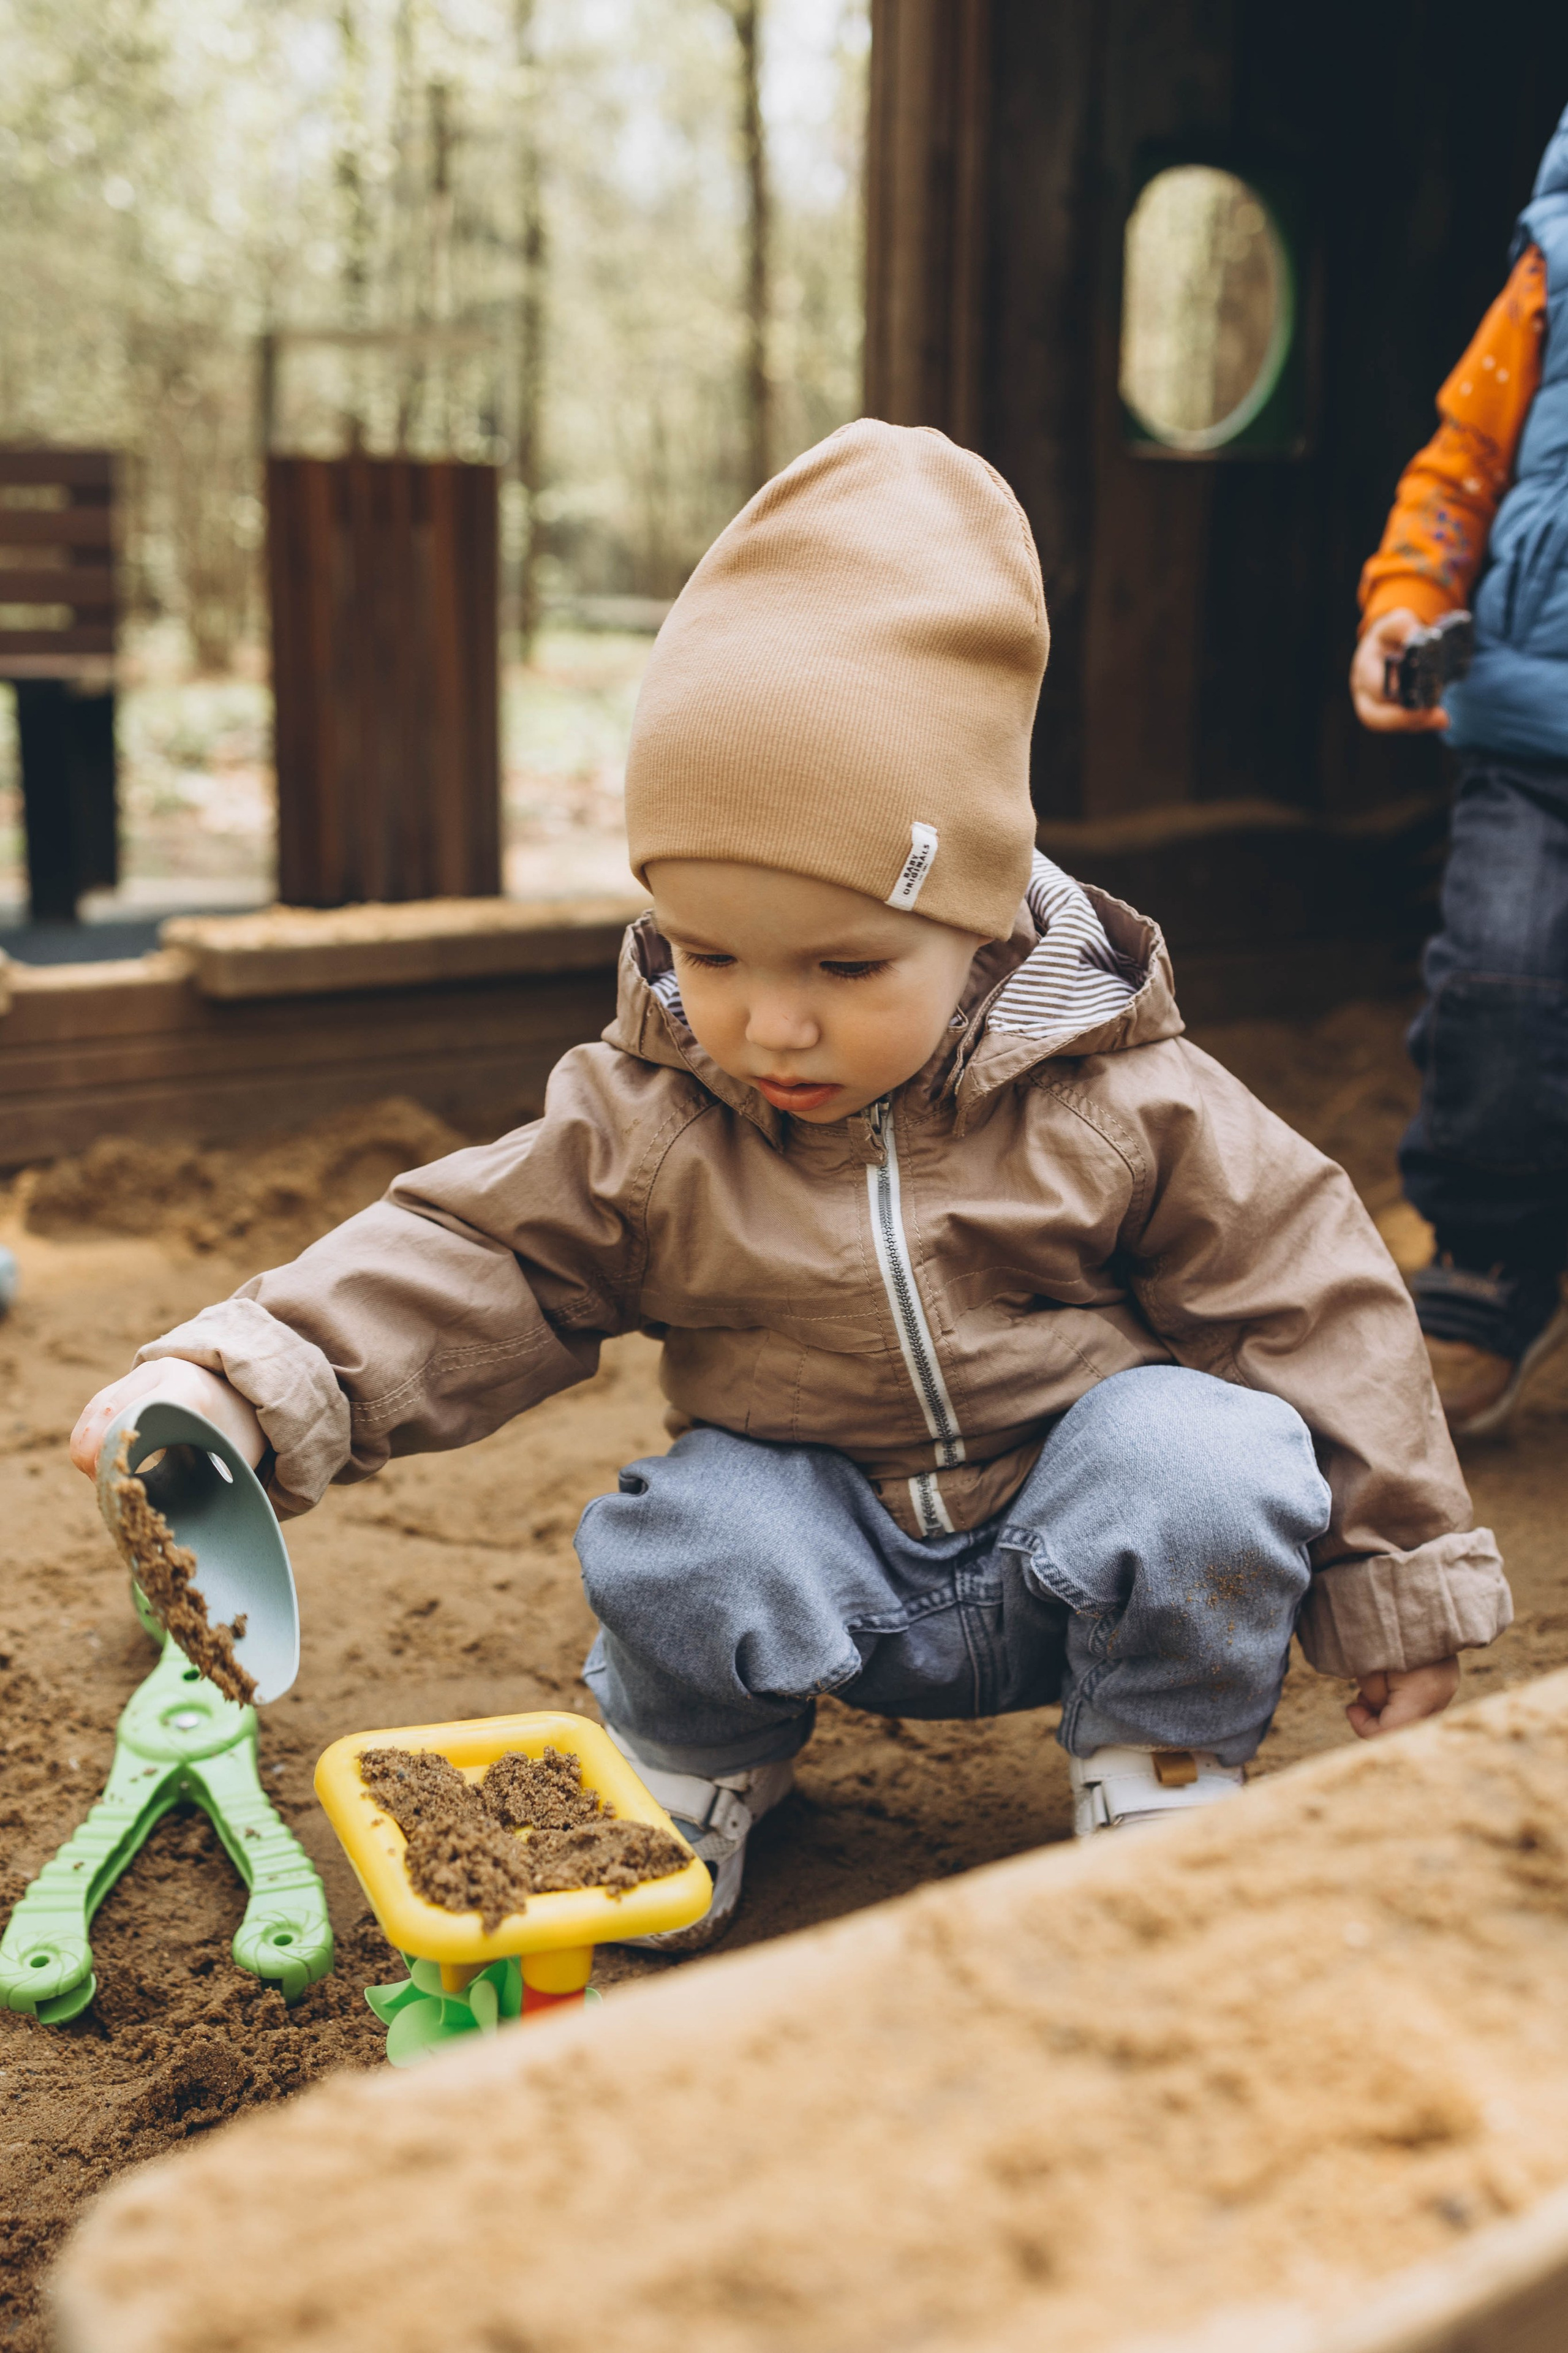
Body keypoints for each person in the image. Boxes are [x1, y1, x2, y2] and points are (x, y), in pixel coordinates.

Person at [75, 423, 1507, 1948]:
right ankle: (700, 1762)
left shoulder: (1118, 1096)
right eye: (709, 955)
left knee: (1213, 1456)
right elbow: (471, 1255)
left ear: (975, 921)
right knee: (684, 1532)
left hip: (1072, 1551)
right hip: (822, 1567)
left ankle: (1153, 1753)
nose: (770, 1021)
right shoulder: (657, 1118)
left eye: (844, 964)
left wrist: (1391, 1580)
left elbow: (1310, 1297)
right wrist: (244, 1380)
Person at [1352, 102, 1568, 1437]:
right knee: (1497, 982)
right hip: (1526, 733)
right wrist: (1409, 599)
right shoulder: (1551, 265)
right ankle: (1484, 1264)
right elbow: (1460, 463)